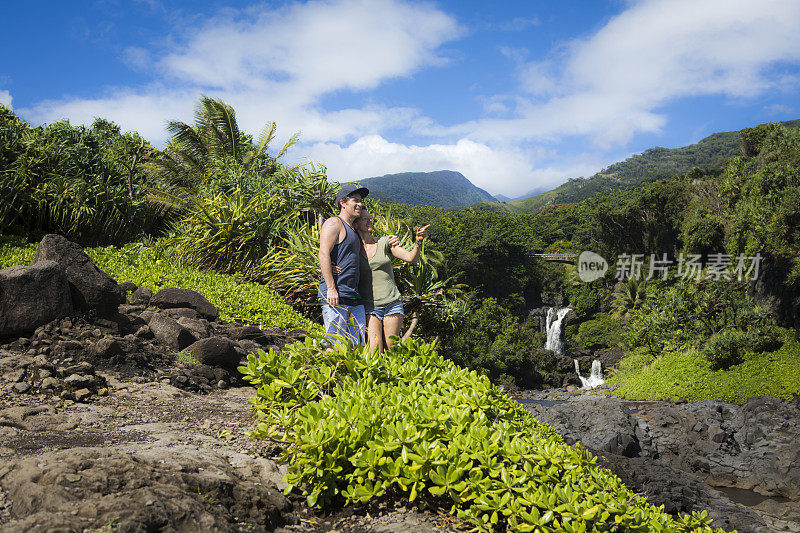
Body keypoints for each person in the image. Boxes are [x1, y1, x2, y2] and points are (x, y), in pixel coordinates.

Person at [354, 210, 430, 351]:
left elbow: (411, 258)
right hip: (370, 307)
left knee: (392, 347)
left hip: (392, 303)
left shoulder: (384, 242)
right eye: (365, 218)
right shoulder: (352, 250)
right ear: (356, 224)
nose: (369, 221)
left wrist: (418, 242)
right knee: (374, 350)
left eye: (370, 218)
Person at [318, 184, 369, 345]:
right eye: (355, 200)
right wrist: (331, 288)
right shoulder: (334, 223)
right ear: (343, 203)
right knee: (335, 344)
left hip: (354, 296)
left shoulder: (353, 229)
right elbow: (324, 253)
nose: (359, 204)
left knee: (358, 344)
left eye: (361, 201)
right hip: (336, 296)